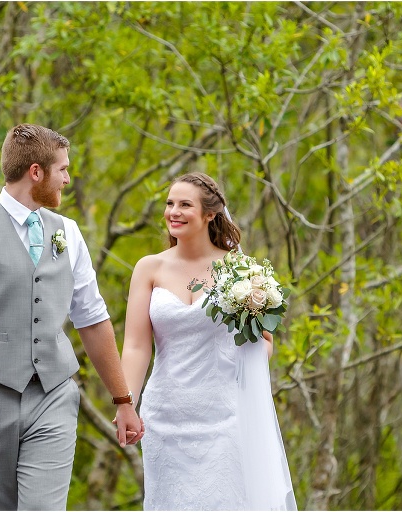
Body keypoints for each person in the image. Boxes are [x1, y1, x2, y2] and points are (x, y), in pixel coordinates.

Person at [0, 124, 144, 511]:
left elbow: (93, 320)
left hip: (54, 395)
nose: (67, 178)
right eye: (62, 169)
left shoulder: (69, 233)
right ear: (35, 172)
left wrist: (123, 399)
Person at [121, 172, 296, 510]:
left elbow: (265, 341)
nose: (174, 211)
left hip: (224, 413)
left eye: (185, 204)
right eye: (170, 203)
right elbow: (136, 346)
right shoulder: (148, 268)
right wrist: (126, 402)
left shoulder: (240, 270)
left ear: (210, 214)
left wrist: (244, 363)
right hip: (165, 414)